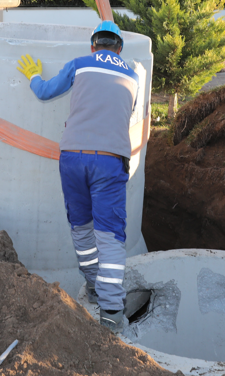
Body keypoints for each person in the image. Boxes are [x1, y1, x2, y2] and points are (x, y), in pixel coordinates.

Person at [16, 21, 139, 333]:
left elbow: (44, 92)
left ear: (93, 45)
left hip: (72, 158)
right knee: (110, 236)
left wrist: (33, 75)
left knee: (81, 227)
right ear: (119, 48)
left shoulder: (79, 65)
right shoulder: (133, 75)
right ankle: (111, 311)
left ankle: (94, 286)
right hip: (109, 162)